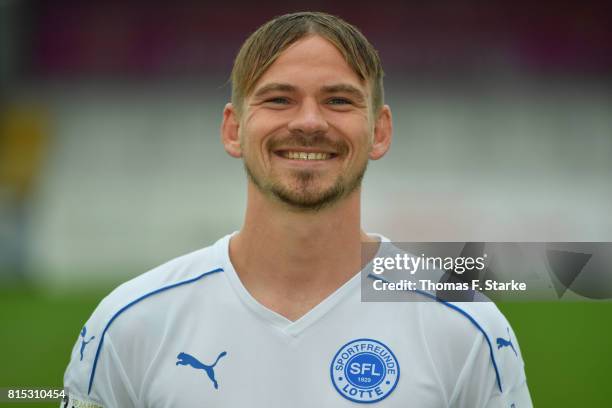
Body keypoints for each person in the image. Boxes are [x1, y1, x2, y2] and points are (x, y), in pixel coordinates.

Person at [62, 11, 532, 407]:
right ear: (233, 129)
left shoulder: (466, 325)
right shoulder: (129, 324)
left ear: (380, 131)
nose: (309, 121)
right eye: (279, 99)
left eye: (339, 100)